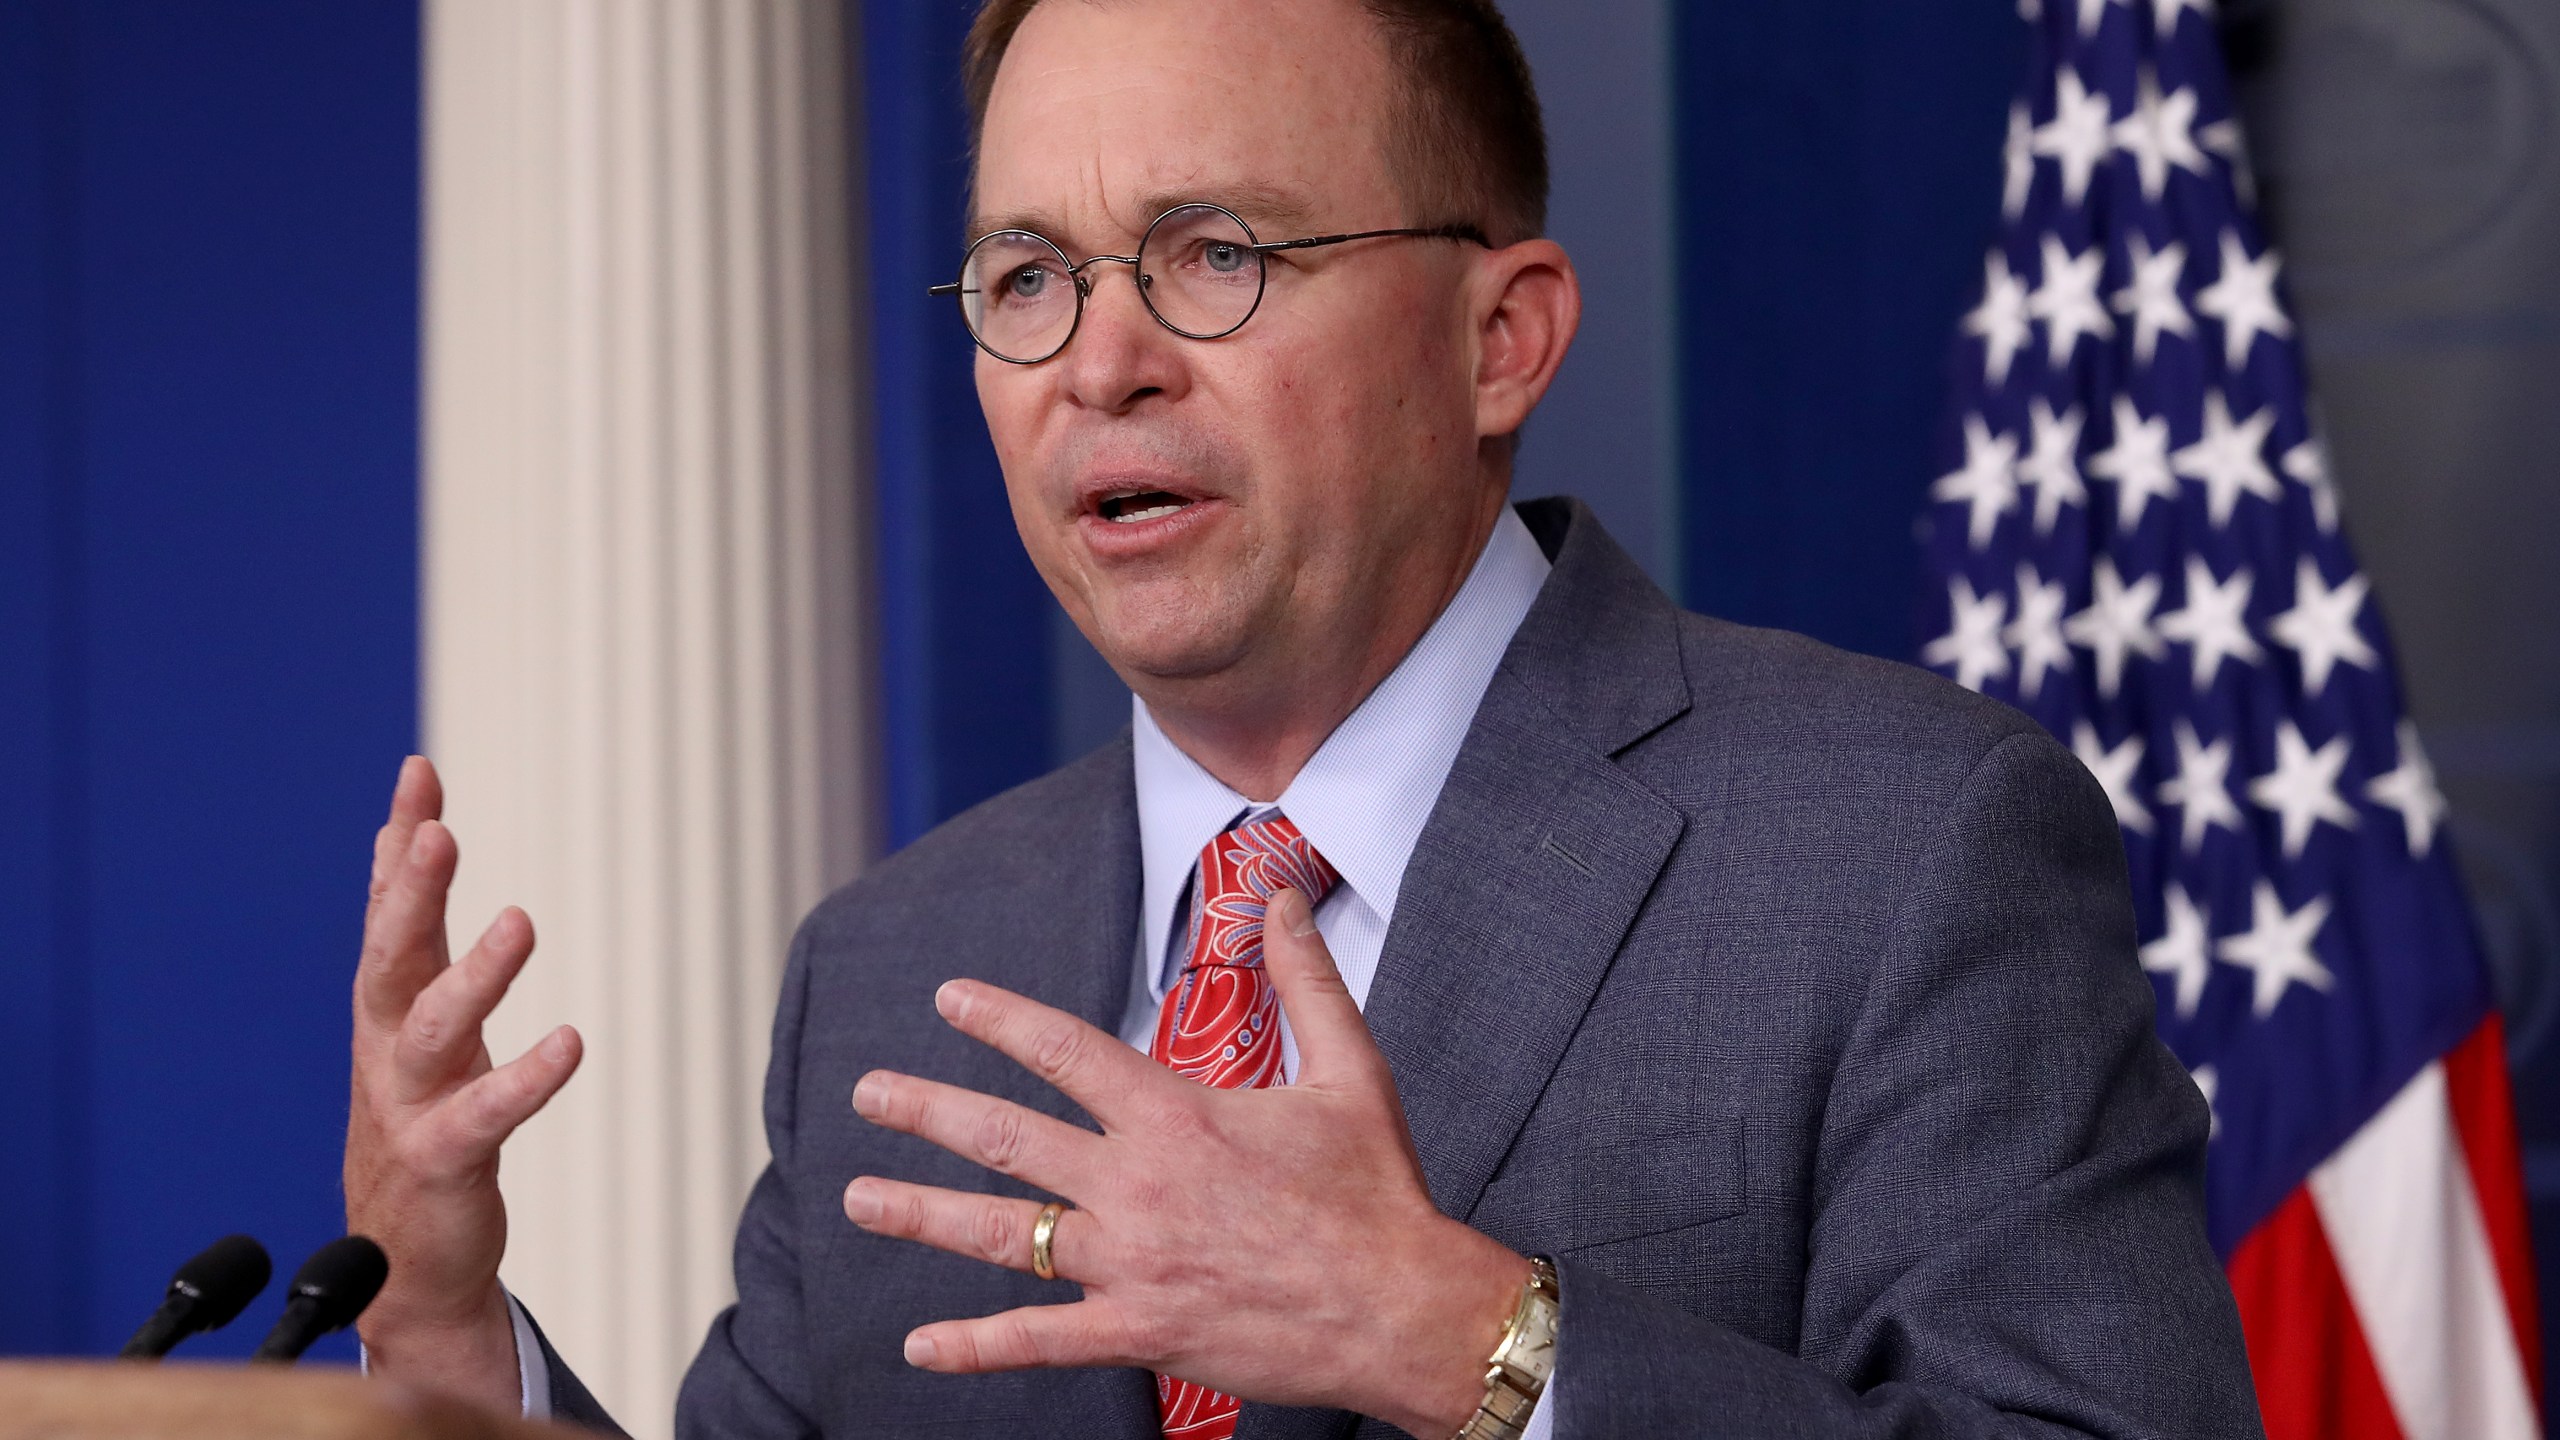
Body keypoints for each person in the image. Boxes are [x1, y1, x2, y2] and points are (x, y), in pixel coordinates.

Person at [343, 0, 2267, 1436]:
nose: (1101, 361)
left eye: (1216, 254)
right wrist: (447, 1340)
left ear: (1498, 335)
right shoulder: (902, 954)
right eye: (1027, 275)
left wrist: (1476, 1343)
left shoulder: (1900, 846)